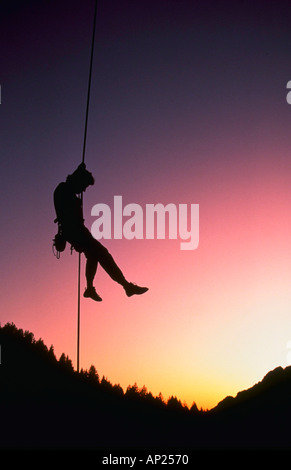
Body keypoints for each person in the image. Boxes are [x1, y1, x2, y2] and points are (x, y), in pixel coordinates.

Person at [53, 163, 148, 302]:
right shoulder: (63, 190)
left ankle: (93, 288)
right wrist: (79, 176)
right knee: (102, 253)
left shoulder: (67, 190)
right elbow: (67, 212)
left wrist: (81, 170)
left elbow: (73, 184)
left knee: (94, 255)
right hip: (75, 232)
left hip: (77, 232)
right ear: (78, 181)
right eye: (84, 186)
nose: (83, 190)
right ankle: (126, 286)